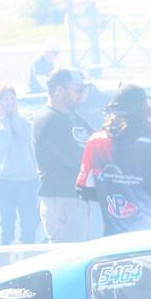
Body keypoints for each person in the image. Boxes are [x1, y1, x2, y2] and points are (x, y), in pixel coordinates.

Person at [76, 84, 151, 235]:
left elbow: (83, 190)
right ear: (138, 109)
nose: (149, 109)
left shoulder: (95, 140)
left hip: (114, 234)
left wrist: (116, 200)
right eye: (145, 104)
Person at [32, 67, 93, 243]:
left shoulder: (73, 117)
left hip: (74, 199)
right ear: (59, 90)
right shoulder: (47, 120)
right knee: (72, 256)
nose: (81, 95)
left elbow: (98, 138)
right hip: (61, 200)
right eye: (77, 89)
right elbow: (76, 158)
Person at [0, 85, 39, 245]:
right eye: (5, 99)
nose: (10, 102)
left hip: (27, 180)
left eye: (12, 98)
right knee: (7, 223)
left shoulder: (26, 118)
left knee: (29, 224)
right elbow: (0, 143)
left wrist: (14, 117)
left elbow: (27, 135)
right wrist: (3, 120)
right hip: (3, 180)